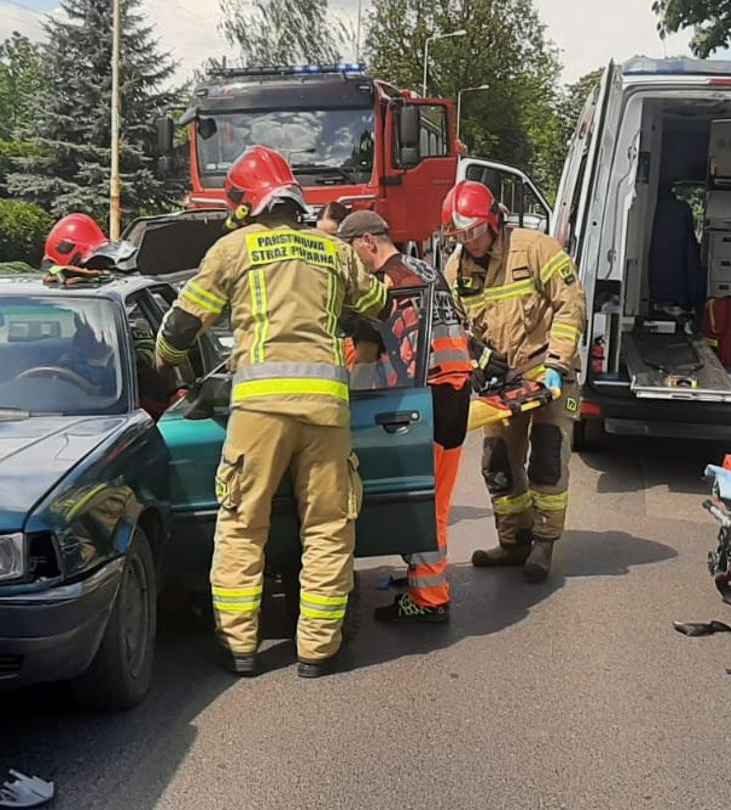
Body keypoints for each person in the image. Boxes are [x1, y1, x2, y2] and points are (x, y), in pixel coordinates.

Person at [154, 145, 391, 678]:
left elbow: (181, 328)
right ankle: (318, 650)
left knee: (241, 525)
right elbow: (381, 305)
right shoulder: (333, 251)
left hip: (258, 412)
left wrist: (166, 364)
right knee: (329, 528)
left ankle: (239, 647)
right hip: (326, 412)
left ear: (244, 204)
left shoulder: (233, 249)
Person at [441, 180, 586, 583]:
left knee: (547, 458)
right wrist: (476, 361)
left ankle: (543, 543)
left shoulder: (537, 249)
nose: (468, 243)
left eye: (473, 232)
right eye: (460, 237)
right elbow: (454, 326)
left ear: (493, 221)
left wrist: (559, 361)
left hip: (546, 374)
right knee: (498, 464)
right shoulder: (455, 270)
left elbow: (570, 305)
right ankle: (513, 540)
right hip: (500, 384)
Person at [336, 210, 478, 623]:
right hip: (452, 391)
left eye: (351, 251)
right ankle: (420, 574)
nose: (351, 260)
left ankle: (430, 599)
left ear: (368, 242)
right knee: (430, 497)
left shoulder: (388, 283)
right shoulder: (423, 269)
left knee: (427, 508)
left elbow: (369, 349)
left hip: (430, 396)